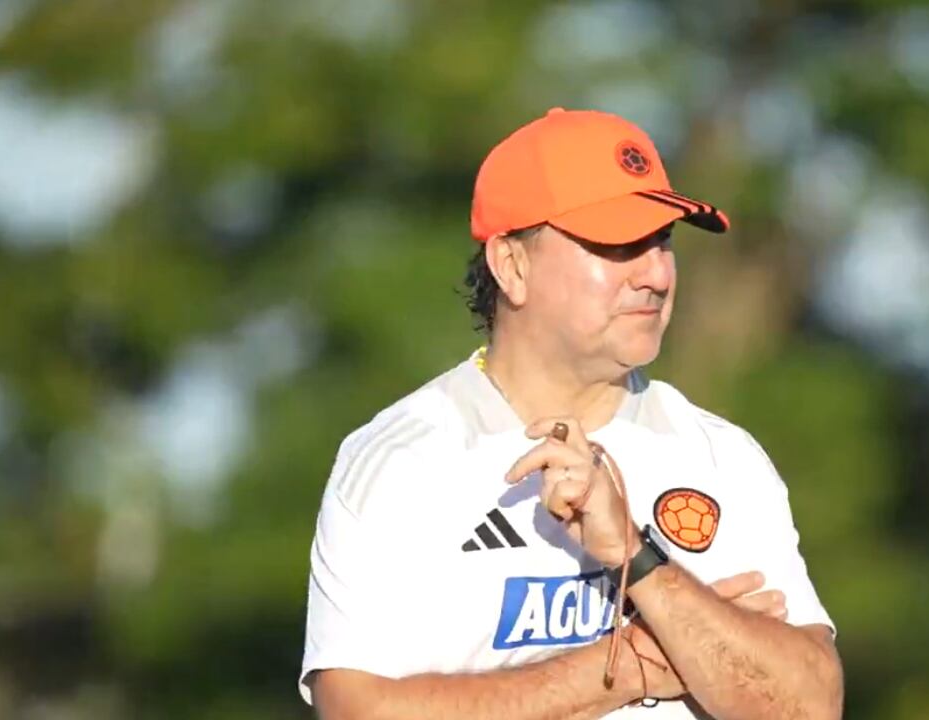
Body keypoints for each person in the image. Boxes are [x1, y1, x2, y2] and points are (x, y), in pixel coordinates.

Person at [299, 107, 843, 719]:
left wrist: (639, 561)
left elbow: (808, 708)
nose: (656, 273)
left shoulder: (723, 455)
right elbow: (356, 713)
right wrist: (629, 666)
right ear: (511, 264)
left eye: (662, 241)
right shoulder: (403, 458)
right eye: (617, 244)